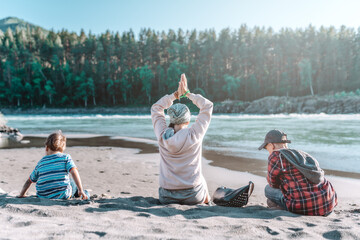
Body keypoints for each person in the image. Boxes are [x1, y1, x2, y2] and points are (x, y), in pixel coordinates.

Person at [151, 73, 213, 205]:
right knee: (201, 179)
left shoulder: (162, 134)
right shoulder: (195, 134)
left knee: (200, 179)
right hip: (192, 195)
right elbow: (207, 106)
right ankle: (208, 201)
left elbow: (156, 108)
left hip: (166, 196)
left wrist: (175, 95)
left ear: (171, 119)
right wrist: (188, 94)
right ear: (188, 119)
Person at [259, 129, 337, 216]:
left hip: (302, 205)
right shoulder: (301, 154)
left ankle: (283, 206)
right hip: (327, 203)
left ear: (271, 145)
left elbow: (272, 184)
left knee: (268, 190)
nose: (268, 151)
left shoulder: (276, 156)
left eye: (266, 148)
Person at [18, 131, 89, 200]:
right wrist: (80, 189)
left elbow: (29, 181)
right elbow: (74, 172)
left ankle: (79, 192)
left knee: (69, 182)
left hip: (42, 196)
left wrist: (22, 194)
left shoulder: (41, 162)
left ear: (46, 148)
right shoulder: (65, 157)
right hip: (62, 194)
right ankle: (85, 194)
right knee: (72, 182)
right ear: (62, 149)